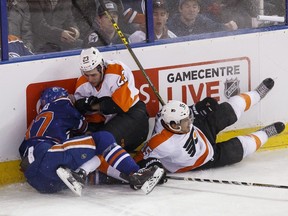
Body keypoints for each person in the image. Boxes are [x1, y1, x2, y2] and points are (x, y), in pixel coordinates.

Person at [19, 87, 164, 195]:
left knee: (87, 156)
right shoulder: (62, 104)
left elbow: (23, 157)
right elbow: (86, 129)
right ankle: (135, 173)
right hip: (48, 155)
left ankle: (81, 174)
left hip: (39, 181)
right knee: (103, 138)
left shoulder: (35, 123)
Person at [134, 78, 286, 173]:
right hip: (205, 159)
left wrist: (198, 108)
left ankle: (256, 94)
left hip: (201, 130)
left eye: (187, 117)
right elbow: (138, 161)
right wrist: (150, 169)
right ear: (173, 125)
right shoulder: (160, 143)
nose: (189, 121)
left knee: (228, 110)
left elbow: (191, 113)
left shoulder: (169, 115)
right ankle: (266, 133)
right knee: (238, 149)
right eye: (185, 120)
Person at [73, 47, 149, 152]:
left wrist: (91, 106)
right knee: (90, 143)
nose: (90, 79)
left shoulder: (116, 70)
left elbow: (120, 105)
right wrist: (91, 130)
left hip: (133, 114)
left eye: (93, 75)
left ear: (101, 67)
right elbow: (92, 117)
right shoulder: (82, 84)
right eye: (86, 75)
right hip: (111, 120)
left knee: (104, 143)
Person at [167, 0, 238, 37]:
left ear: (198, 9)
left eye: (194, 7)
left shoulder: (203, 20)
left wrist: (229, 26)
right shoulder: (172, 24)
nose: (191, 10)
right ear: (180, 9)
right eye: (187, 6)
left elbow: (217, 27)